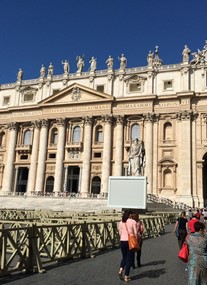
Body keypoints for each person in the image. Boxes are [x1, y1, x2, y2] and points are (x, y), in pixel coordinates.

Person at [118, 209, 138, 282]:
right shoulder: (133, 222)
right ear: (130, 215)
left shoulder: (121, 222)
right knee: (129, 259)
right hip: (130, 241)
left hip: (122, 241)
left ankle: (121, 269)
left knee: (124, 257)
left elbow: (120, 233)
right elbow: (135, 233)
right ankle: (126, 276)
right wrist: (136, 240)